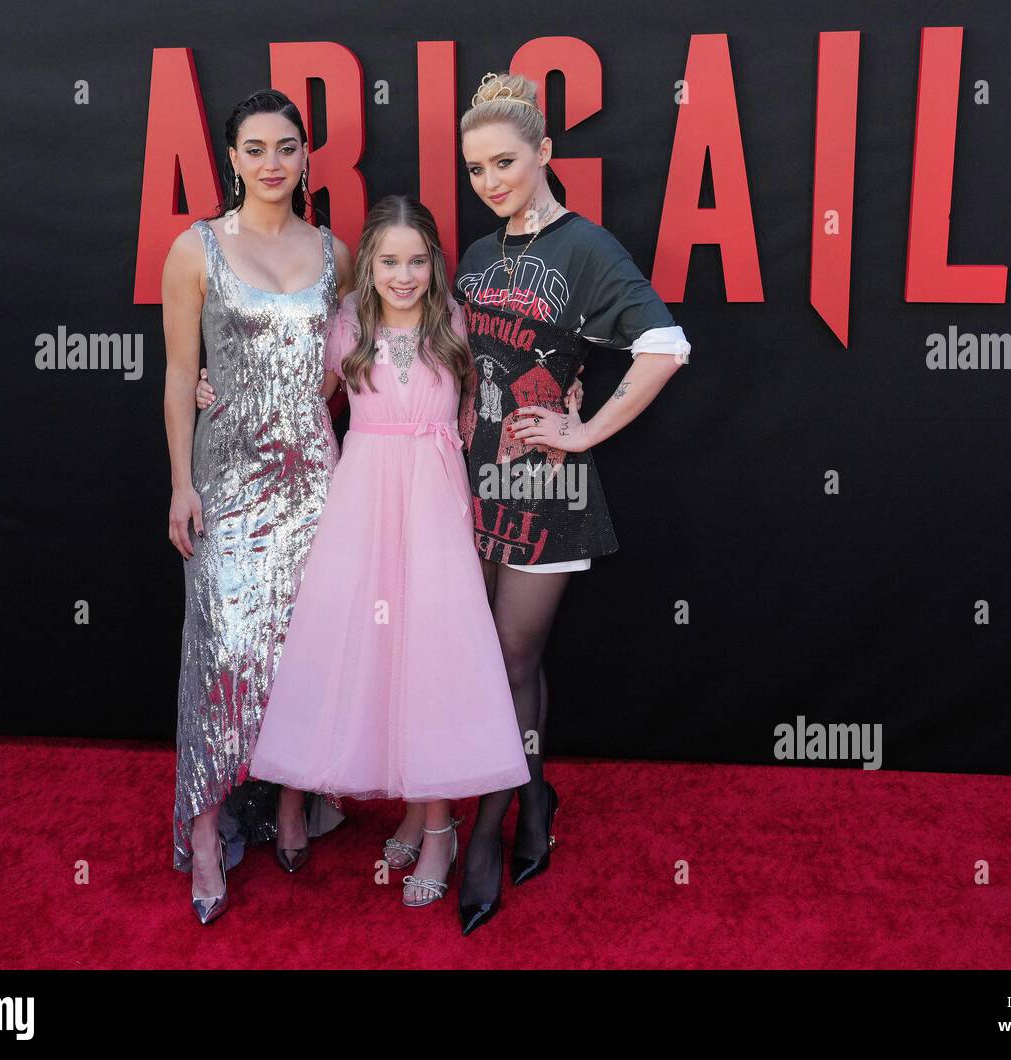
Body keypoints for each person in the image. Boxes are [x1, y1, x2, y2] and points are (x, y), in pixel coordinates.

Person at [451, 71, 692, 934]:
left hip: (545, 488)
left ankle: (488, 833)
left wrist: (586, 435)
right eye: (475, 168)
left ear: (546, 152)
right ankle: (538, 794)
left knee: (510, 663)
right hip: (474, 480)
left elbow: (664, 344)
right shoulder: (478, 256)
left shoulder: (588, 249)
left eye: (505, 162)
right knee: (485, 659)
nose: (490, 181)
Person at [244, 195, 533, 907]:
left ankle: (440, 828)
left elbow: (479, 408)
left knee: (430, 657)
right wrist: (223, 390)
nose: (403, 275)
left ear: (434, 263)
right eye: (389, 261)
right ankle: (411, 805)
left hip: (432, 506)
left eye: (416, 261)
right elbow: (302, 397)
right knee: (376, 656)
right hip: (364, 504)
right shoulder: (348, 323)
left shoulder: (453, 323)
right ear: (367, 263)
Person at [162, 89, 353, 925]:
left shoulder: (337, 251)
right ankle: (204, 832)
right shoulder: (195, 248)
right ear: (232, 160)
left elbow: (344, 369)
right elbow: (177, 373)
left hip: (314, 479)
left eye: (286, 146)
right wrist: (181, 480)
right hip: (228, 484)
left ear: (305, 155)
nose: (272, 162)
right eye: (254, 148)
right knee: (222, 654)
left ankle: (290, 803)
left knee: (305, 650)